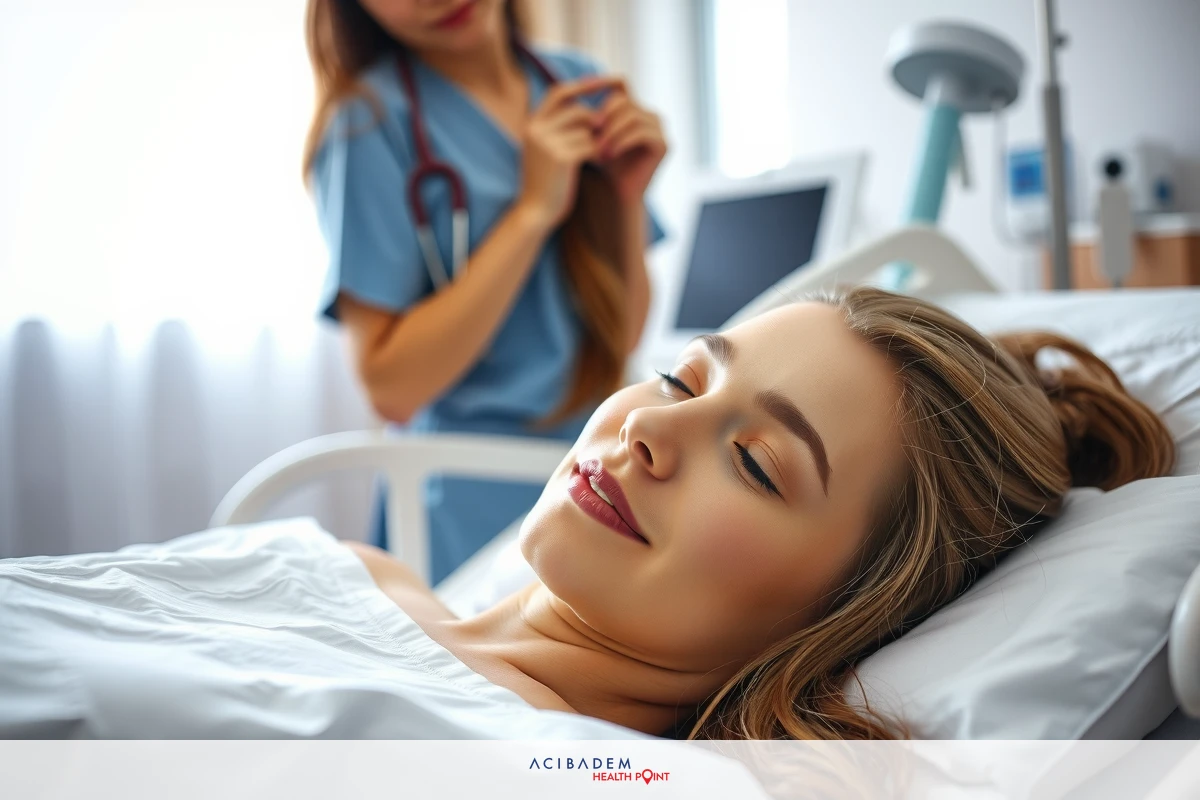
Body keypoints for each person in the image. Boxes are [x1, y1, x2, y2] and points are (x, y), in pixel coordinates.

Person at [344, 285, 1176, 739]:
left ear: (851, 614)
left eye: (753, 463)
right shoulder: (361, 574)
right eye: (681, 381)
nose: (649, 429)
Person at [302, 0, 668, 582]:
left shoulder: (578, 86)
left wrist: (626, 198)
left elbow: (618, 337)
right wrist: (531, 213)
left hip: (594, 469)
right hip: (465, 498)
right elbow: (392, 388)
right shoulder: (367, 125)